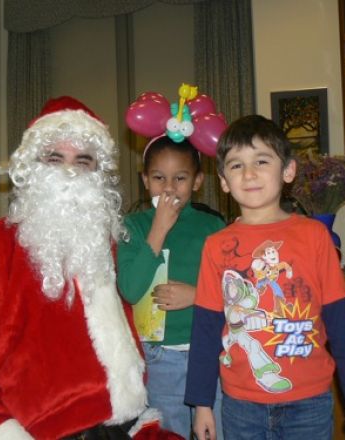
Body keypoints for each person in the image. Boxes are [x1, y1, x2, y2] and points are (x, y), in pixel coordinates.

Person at [0, 96, 183, 440]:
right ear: (32, 166)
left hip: (128, 424)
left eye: (83, 161)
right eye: (55, 158)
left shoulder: (111, 244)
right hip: (40, 431)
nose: (70, 171)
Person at [185, 115, 345, 440]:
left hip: (310, 402)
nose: (249, 174)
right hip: (240, 405)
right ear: (222, 180)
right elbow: (206, 327)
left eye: (261, 161)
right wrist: (202, 403)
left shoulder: (315, 237)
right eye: (236, 165)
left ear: (287, 170)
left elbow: (341, 322)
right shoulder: (216, 246)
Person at [117, 135, 225, 439]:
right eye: (158, 178)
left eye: (180, 178)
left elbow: (236, 290)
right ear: (145, 180)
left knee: (216, 431)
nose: (168, 188)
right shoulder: (133, 226)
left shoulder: (212, 226)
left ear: (198, 181)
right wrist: (160, 227)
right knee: (167, 434)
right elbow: (130, 289)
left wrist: (197, 294)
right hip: (159, 356)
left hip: (210, 351)